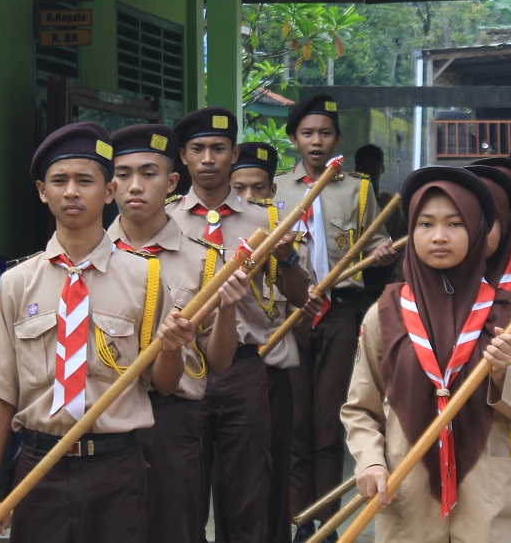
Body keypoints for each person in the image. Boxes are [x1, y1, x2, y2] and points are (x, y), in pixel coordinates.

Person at [0, 122, 198, 543]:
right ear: (42, 191)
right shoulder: (17, 283)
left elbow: (163, 384)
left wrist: (173, 349)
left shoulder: (146, 278)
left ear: (109, 191)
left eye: (85, 180)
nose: (71, 191)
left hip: (117, 470)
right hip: (39, 468)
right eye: (59, 181)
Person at [342, 166, 511, 543]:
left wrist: (503, 374)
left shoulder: (509, 317)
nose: (439, 236)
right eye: (426, 224)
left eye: (455, 224)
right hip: (406, 490)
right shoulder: (385, 314)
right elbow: (360, 407)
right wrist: (370, 460)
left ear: (478, 230)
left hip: (485, 496)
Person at [167, 107, 311, 543]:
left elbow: (300, 297)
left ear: (234, 154)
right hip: (183, 368)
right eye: (198, 149)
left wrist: (286, 256)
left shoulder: (267, 220)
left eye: (219, 148)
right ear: (183, 157)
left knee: (246, 494)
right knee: (184, 495)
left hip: (245, 368)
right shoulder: (164, 220)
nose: (208, 158)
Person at [107, 123, 250, 543]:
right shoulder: (91, 258)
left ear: (172, 182)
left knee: (175, 530)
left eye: (149, 173)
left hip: (171, 420)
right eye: (123, 174)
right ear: (110, 185)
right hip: (106, 418)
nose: (135, 186)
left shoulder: (203, 259)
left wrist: (229, 307)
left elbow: (219, 362)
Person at [276, 95, 397, 542]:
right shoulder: (276, 190)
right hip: (291, 315)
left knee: (328, 425)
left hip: (339, 311)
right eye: (307, 133)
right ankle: (299, 520)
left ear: (338, 138)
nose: (316, 141)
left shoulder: (358, 189)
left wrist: (381, 251)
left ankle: (325, 522)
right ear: (294, 139)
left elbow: (375, 241)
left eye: (325, 133)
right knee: (296, 424)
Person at [230, 141, 306, 543]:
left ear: (272, 190)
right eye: (239, 188)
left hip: (268, 364)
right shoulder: (209, 227)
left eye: (258, 188)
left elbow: (302, 296)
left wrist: (287, 255)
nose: (249, 197)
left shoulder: (283, 227)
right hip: (212, 369)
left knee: (271, 469)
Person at [353, 144, 407, 305]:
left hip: (384, 272)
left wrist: (391, 281)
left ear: (382, 169)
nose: (369, 171)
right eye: (364, 167)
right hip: (353, 273)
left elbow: (400, 243)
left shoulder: (391, 204)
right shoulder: (349, 202)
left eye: (374, 166)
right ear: (356, 170)